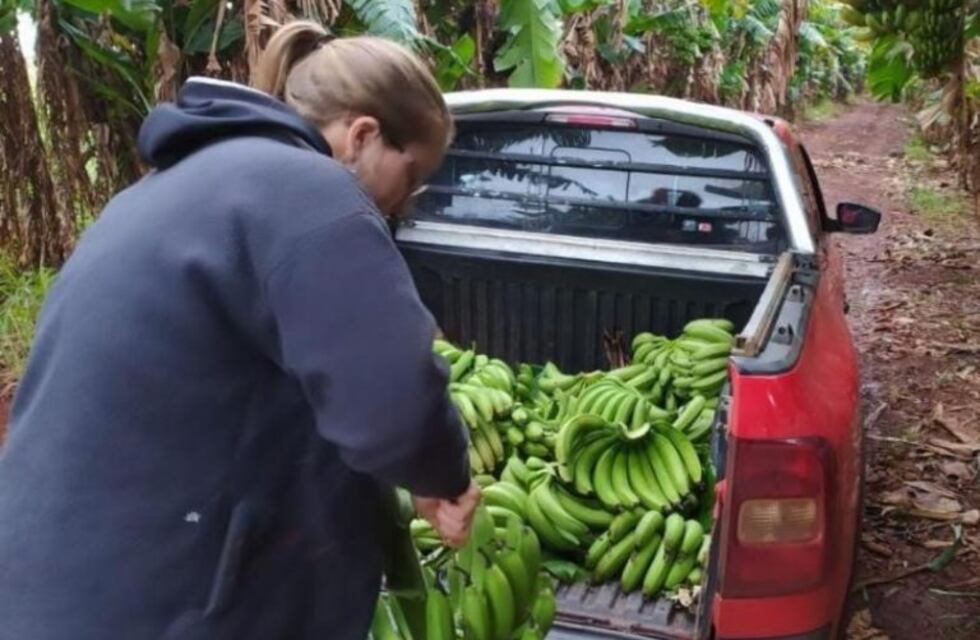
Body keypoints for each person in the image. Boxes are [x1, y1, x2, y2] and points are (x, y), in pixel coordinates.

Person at [0, 20, 480, 640]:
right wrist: (444, 477)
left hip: (66, 576)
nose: (401, 205)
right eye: (410, 178)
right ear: (363, 135)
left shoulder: (166, 188)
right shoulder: (312, 193)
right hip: (158, 601)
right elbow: (395, 399)